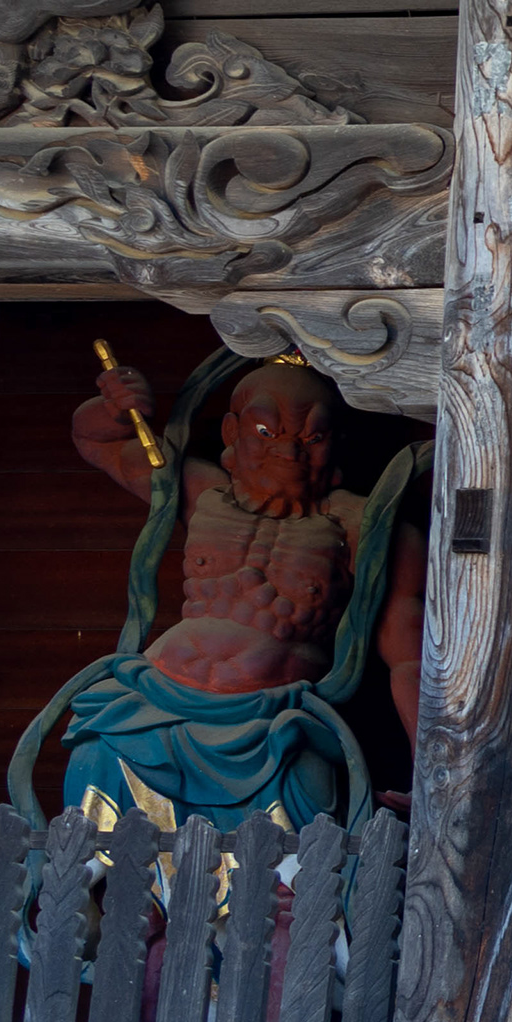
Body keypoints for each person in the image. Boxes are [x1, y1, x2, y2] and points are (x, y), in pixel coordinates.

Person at [55, 352, 424, 830]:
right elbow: (97, 441)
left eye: (312, 437)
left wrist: (429, 768)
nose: (289, 453)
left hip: (273, 721)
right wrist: (113, 405)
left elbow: (410, 658)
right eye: (266, 433)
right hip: (153, 698)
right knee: (96, 758)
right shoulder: (200, 491)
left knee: (297, 845)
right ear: (232, 432)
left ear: (337, 444)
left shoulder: (366, 528)